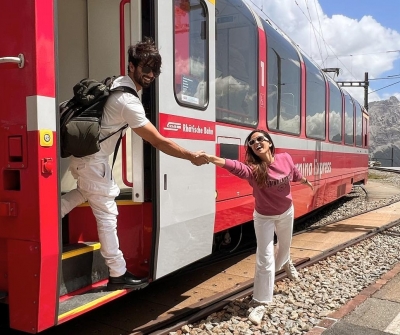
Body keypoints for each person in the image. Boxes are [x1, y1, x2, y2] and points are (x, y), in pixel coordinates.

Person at [61, 37, 208, 291]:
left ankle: (46, 220)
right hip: (93, 163)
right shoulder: (128, 101)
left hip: (86, 161)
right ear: (132, 66)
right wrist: (190, 156)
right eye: (145, 68)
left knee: (84, 192)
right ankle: (118, 273)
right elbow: (159, 141)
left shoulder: (118, 83)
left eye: (155, 70)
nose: (150, 74)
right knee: (108, 215)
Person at [204, 129, 313, 325]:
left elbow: (294, 173)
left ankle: (287, 261)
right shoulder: (254, 170)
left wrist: (306, 181)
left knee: (284, 248)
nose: (256, 143)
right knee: (265, 258)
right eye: (252, 142)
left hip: (286, 212)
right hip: (264, 217)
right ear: (252, 149)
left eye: (260, 139)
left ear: (270, 143)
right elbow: (236, 167)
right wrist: (213, 159)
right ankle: (261, 302)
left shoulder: (285, 158)